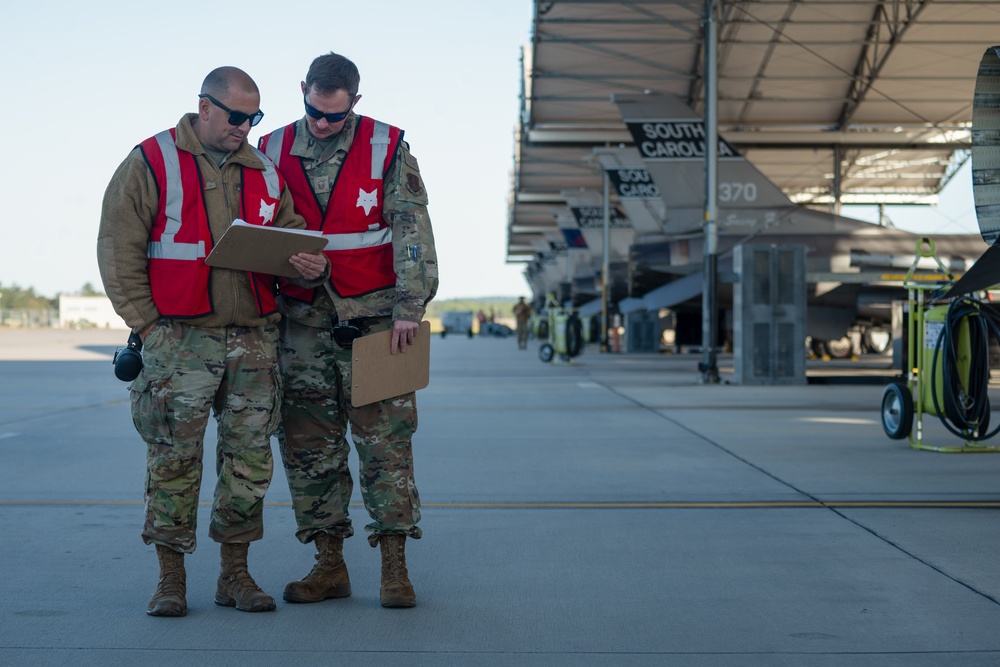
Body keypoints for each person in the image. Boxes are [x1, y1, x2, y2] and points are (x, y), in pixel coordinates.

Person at [97, 66, 329, 617]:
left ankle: (235, 576)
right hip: (180, 338)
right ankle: (171, 580)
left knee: (248, 462)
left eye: (255, 118)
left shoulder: (265, 172)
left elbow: (291, 239)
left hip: (252, 339)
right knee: (173, 460)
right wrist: (149, 328)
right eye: (236, 116)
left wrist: (309, 266)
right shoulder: (150, 161)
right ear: (205, 107)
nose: (246, 127)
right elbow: (117, 248)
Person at [258, 52, 438, 609]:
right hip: (303, 321)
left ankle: (394, 566)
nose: (321, 124)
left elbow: (412, 226)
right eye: (313, 110)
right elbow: (255, 228)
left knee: (386, 447)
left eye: (334, 116)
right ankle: (328, 565)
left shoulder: (386, 147)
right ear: (303, 92)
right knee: (310, 447)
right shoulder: (270, 149)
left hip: (379, 320)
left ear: (355, 103)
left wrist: (411, 304)